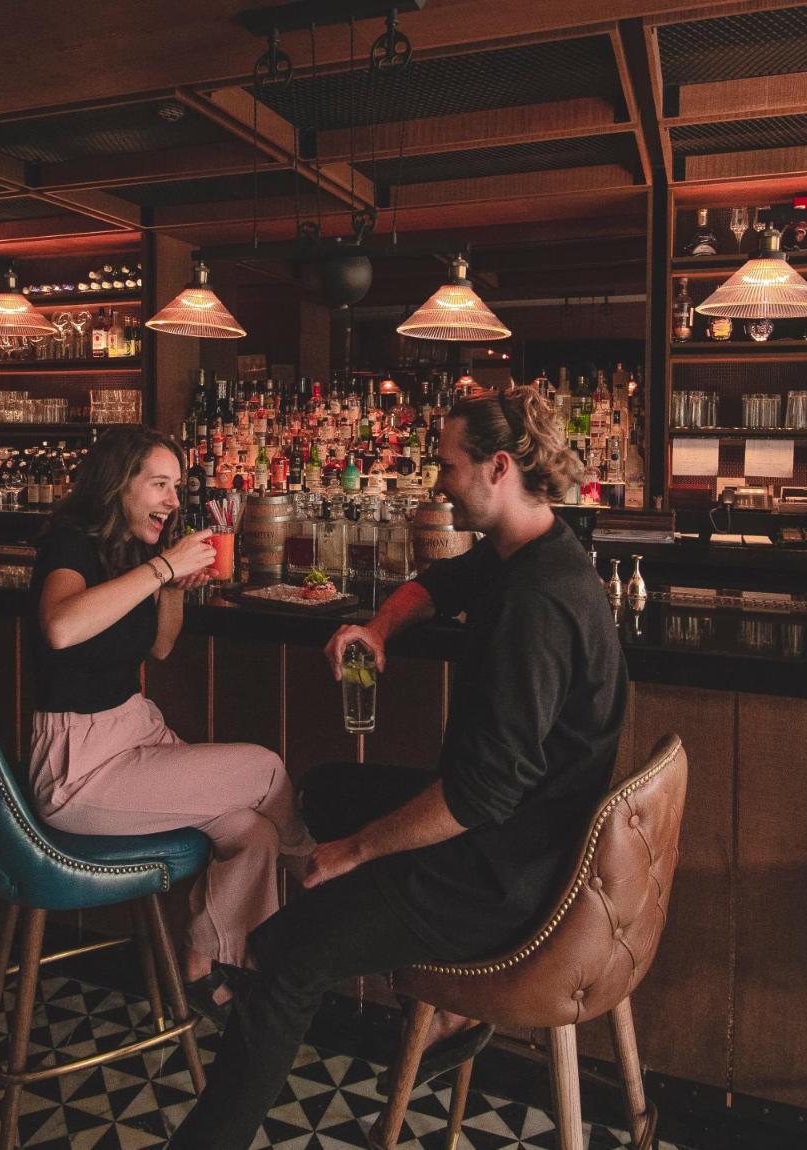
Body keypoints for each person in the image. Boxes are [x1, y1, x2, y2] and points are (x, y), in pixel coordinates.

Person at [168, 387, 628, 1150]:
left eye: (449, 466)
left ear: (499, 466)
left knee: (286, 955)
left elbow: (480, 794)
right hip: (530, 833)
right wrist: (377, 627)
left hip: (504, 874)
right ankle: (402, 971)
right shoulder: (535, 550)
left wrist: (352, 854)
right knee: (324, 786)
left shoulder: (536, 607)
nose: (437, 482)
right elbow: (442, 583)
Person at [28, 425, 314, 1021]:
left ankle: (204, 962)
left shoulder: (129, 552)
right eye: (159, 485)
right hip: (79, 764)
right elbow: (60, 627)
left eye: (175, 487)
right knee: (265, 769)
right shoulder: (71, 545)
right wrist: (163, 567)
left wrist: (176, 586)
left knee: (252, 833)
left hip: (132, 731)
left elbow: (159, 648)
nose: (173, 500)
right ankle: (319, 879)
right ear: (117, 486)